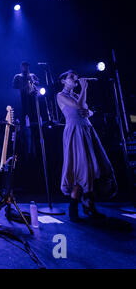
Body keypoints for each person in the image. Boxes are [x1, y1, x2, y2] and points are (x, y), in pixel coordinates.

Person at [57, 70, 117, 221]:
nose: (75, 78)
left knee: (91, 168)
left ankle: (89, 206)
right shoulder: (61, 95)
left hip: (86, 130)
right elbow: (78, 106)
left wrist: (89, 112)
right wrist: (84, 88)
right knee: (80, 168)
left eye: (75, 76)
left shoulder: (76, 95)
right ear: (64, 81)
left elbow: (84, 107)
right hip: (75, 132)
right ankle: (74, 208)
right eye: (71, 77)